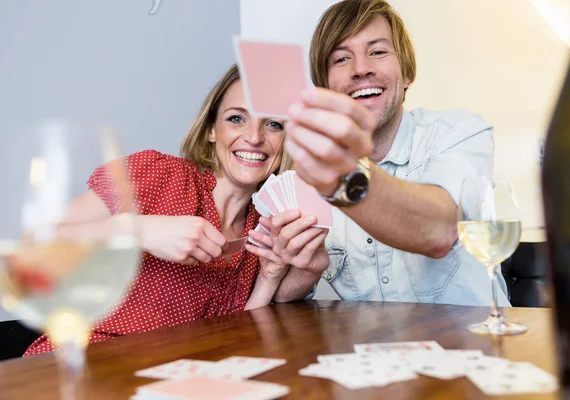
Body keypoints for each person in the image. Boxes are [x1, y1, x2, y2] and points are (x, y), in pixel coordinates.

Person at [23, 64, 328, 356]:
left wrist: (270, 277)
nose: (254, 137)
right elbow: (33, 246)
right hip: (84, 366)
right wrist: (140, 229)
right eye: (236, 119)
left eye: (273, 124)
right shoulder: (157, 174)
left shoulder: (263, 228)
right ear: (211, 130)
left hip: (175, 382)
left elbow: (240, 337)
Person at [265, 0, 510, 306]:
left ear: (406, 74)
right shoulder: (304, 179)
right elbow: (284, 301)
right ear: (324, 85)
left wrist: (344, 178)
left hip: (474, 348)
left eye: (378, 52)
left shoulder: (461, 133)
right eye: (341, 59)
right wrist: (304, 273)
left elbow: (437, 230)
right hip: (369, 351)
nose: (361, 69)